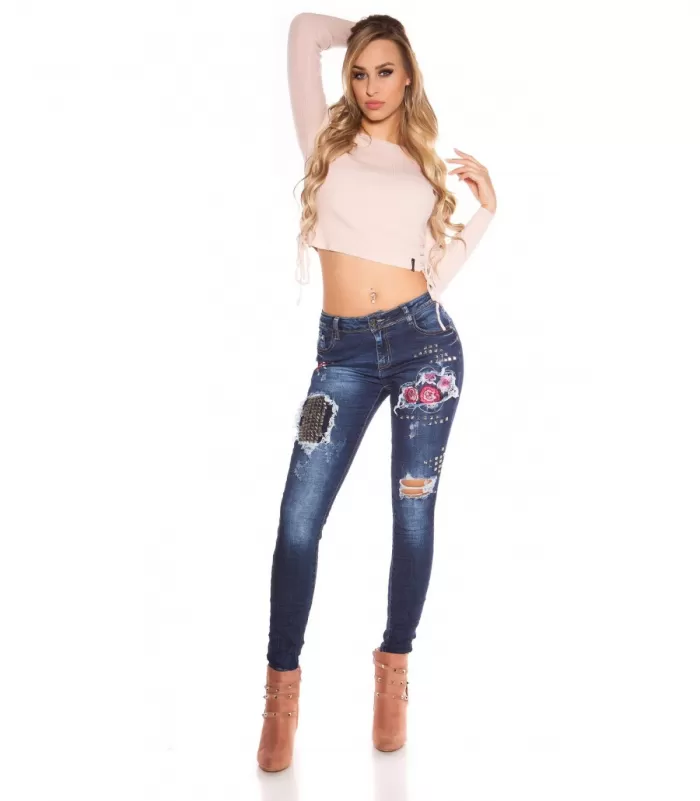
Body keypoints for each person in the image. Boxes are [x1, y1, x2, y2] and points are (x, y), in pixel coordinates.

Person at [257, 12, 497, 772]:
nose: (370, 87)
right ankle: (280, 694)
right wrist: (366, 28)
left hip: (426, 350)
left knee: (412, 515)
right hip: (341, 359)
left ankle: (394, 672)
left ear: (409, 76)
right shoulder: (325, 142)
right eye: (360, 72)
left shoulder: (424, 168)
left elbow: (434, 274)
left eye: (386, 71)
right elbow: (303, 30)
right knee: (299, 520)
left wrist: (486, 213)